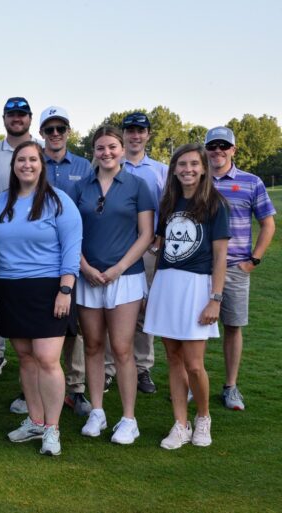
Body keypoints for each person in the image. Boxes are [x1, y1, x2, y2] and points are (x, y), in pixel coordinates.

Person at [0, 141, 82, 456]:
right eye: (21, 160)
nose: (27, 164)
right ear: (13, 165)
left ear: (41, 165)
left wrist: (65, 289)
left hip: (49, 289)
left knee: (46, 359)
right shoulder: (0, 203)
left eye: (33, 159)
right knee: (26, 359)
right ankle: (35, 420)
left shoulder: (60, 202)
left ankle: (52, 429)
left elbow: (72, 248)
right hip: (10, 289)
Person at [70, 125, 154, 445]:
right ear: (94, 151)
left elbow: (146, 234)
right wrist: (85, 267)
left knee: (121, 348)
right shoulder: (82, 187)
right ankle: (97, 411)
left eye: (112, 147)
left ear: (121, 149)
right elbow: (71, 232)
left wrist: (119, 267)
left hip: (126, 277)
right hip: (88, 276)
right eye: (100, 148)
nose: (106, 153)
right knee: (92, 345)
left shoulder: (138, 185)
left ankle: (128, 418)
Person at [144, 143, 229, 449]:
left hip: (197, 287)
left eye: (194, 164)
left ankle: (203, 417)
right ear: (174, 169)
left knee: (194, 363)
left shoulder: (216, 204)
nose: (188, 169)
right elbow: (160, 244)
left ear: (204, 167)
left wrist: (215, 298)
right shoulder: (169, 202)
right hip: (167, 284)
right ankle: (180, 423)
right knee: (173, 359)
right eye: (182, 164)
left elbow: (220, 257)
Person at [206, 126, 276, 410]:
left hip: (235, 267)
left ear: (233, 150)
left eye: (224, 145)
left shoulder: (251, 182)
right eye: (213, 146)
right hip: (200, 268)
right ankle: (188, 383)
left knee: (233, 327)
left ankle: (230, 386)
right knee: (193, 328)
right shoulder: (196, 179)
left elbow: (267, 223)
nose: (218, 150)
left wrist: (253, 260)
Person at [38, 106, 94, 417]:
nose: (56, 134)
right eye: (50, 129)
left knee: (75, 325)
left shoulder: (85, 166)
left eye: (61, 128)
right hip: (42, 255)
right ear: (42, 133)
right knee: (42, 321)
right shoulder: (34, 161)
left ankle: (76, 388)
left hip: (76, 252)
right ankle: (37, 384)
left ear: (68, 132)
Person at [0, 97, 43, 382]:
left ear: (30, 118)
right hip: (3, 230)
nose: (16, 118)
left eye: (21, 114)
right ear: (4, 118)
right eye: (11, 114)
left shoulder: (41, 150)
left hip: (37, 241)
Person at [116, 112, 169, 394]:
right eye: (130, 130)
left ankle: (142, 367)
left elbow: (168, 208)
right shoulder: (111, 162)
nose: (135, 135)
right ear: (123, 134)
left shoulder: (160, 170)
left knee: (143, 311)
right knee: (110, 309)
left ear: (148, 134)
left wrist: (158, 241)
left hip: (147, 249)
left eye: (141, 130)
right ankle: (110, 368)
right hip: (113, 248)